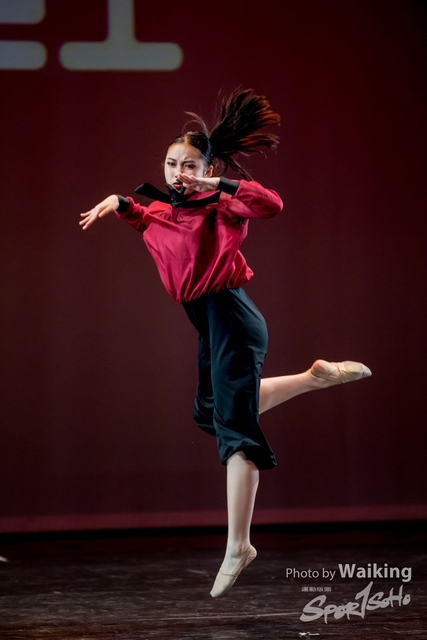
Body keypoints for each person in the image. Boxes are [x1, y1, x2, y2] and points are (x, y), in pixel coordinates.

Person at [79, 88, 371, 598]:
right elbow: (152, 221)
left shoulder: (221, 204)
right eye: (171, 164)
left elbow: (272, 204)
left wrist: (217, 183)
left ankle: (240, 544)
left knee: (235, 432)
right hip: (210, 325)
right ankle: (314, 377)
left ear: (207, 167)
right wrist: (121, 203)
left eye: (189, 165)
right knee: (210, 412)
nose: (178, 172)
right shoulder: (170, 209)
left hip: (232, 318)